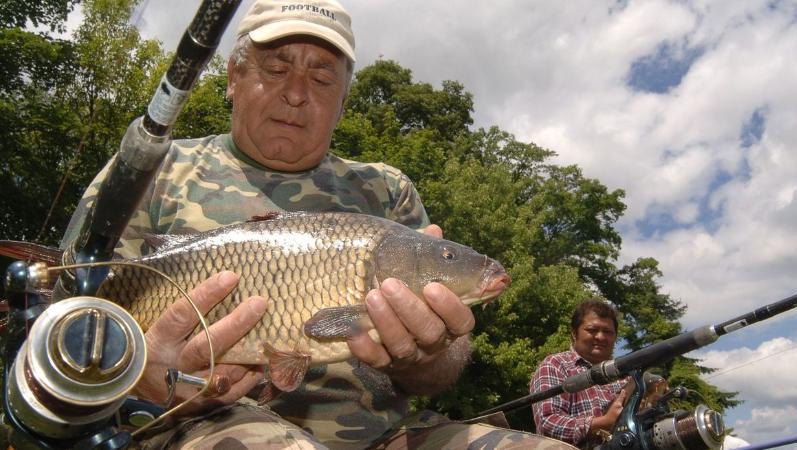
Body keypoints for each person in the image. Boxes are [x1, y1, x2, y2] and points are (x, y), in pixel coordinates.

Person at [61, 1, 568, 448]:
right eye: (276, 68)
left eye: (322, 78)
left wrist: (426, 353)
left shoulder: (386, 192)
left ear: (344, 100)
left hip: (386, 436)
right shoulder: (155, 171)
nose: (297, 93)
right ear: (234, 79)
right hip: (188, 427)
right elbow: (59, 328)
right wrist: (135, 376)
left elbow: (442, 368)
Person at [530, 299, 628, 449]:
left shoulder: (626, 376)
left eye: (608, 332)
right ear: (574, 333)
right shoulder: (556, 364)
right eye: (592, 330)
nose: (601, 337)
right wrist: (604, 422)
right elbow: (548, 424)